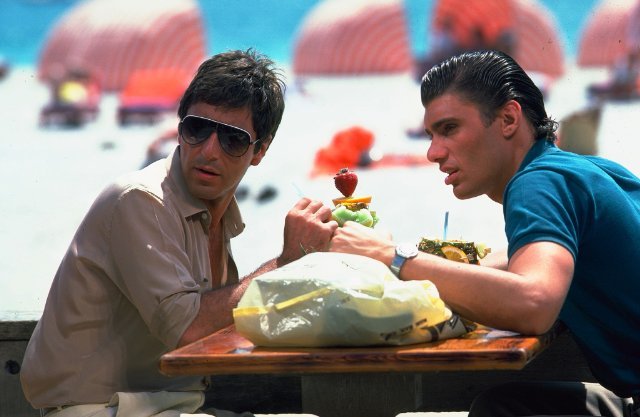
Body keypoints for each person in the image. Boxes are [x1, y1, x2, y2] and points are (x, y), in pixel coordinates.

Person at [20, 49, 336, 417]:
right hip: (97, 409)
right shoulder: (142, 200)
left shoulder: (213, 213)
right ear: (179, 128)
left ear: (259, 151)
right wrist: (286, 263)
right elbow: (187, 329)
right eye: (196, 129)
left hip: (165, 407)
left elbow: (217, 325)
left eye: (232, 139)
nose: (209, 151)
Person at [329, 50, 640, 417]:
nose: (432, 152)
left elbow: (535, 302)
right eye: (431, 135)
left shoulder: (537, 183)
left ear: (508, 119)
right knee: (502, 406)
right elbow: (540, 257)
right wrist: (447, 267)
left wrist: (392, 256)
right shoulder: (587, 170)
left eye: (449, 129)